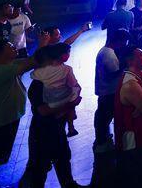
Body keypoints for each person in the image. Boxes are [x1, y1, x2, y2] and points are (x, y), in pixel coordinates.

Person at [0, 40, 35, 188]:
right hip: (1, 123)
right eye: (10, 46)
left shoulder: (10, 65)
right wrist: (43, 44)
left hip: (9, 119)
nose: (14, 47)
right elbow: (29, 64)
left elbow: (30, 61)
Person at [22, 46, 83, 188]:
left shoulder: (53, 80)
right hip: (43, 130)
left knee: (63, 156)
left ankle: (69, 184)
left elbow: (74, 87)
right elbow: (44, 111)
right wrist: (70, 104)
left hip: (57, 125)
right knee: (40, 164)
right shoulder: (37, 86)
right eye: (51, 61)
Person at [114, 46, 142, 187]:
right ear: (130, 60)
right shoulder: (130, 84)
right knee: (133, 167)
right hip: (132, 134)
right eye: (141, 55)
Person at [31, 42, 81, 137]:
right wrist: (72, 101)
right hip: (62, 103)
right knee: (73, 93)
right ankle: (71, 124)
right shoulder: (66, 69)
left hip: (51, 102)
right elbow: (74, 84)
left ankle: (69, 122)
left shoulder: (39, 75)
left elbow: (33, 75)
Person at [94, 28, 130, 151]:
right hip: (109, 91)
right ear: (120, 41)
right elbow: (112, 74)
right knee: (105, 117)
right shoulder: (109, 55)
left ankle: (102, 138)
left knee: (102, 116)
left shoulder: (105, 51)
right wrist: (125, 66)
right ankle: (102, 143)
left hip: (104, 89)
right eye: (124, 42)